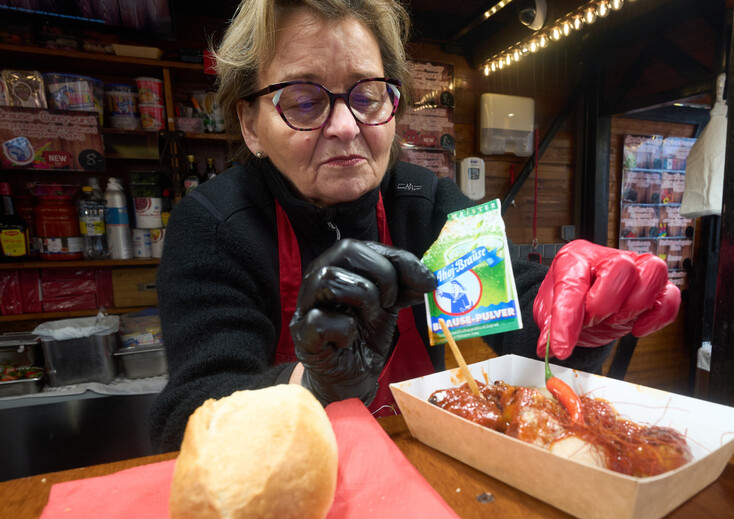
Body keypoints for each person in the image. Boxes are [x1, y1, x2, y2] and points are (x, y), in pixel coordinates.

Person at [148, 0, 680, 452]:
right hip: (288, 498)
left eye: (367, 96)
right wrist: (315, 383)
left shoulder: (423, 205)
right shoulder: (216, 224)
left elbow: (518, 311)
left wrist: (581, 311)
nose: (344, 126)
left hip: (420, 477)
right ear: (250, 125)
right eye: (305, 102)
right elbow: (186, 420)